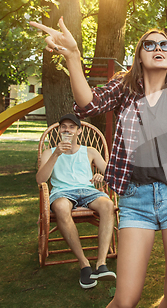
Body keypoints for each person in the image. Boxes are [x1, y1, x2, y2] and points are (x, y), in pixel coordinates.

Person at [30, 17, 167, 307]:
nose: (159, 48)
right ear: (140, 57)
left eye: (165, 45)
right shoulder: (124, 88)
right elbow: (87, 103)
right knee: (125, 299)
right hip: (136, 200)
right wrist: (72, 55)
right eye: (150, 44)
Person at [36, 113, 116, 289]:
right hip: (63, 193)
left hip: (88, 190)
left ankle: (101, 265)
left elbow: (112, 176)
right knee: (62, 207)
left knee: (108, 205)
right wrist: (56, 154)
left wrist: (101, 176)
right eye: (64, 126)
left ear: (79, 131)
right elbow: (40, 179)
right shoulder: (49, 152)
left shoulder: (90, 151)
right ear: (59, 130)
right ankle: (84, 264)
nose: (67, 130)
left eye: (72, 127)